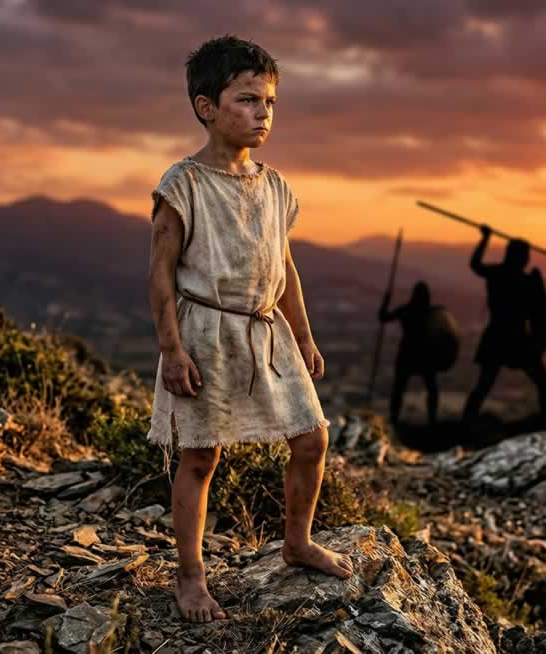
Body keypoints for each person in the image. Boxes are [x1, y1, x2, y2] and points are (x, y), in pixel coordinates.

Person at [146, 35, 352, 624]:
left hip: (267, 332)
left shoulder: (276, 185)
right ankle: (190, 576)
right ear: (206, 107)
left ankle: (297, 541)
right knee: (200, 459)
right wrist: (172, 350)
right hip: (205, 333)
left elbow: (283, 265)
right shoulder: (182, 183)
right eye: (247, 100)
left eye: (270, 102)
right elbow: (160, 273)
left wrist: (305, 335)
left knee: (312, 439)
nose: (263, 113)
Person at [461, 225, 546, 422]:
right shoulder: (525, 281)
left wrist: (485, 239)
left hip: (497, 336)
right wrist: (538, 283)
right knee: (545, 384)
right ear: (520, 257)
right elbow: (541, 310)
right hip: (517, 337)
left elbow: (475, 264)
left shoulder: (497, 274)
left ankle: (465, 424)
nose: (528, 259)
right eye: (525, 255)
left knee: (483, 385)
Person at [378, 281, 442, 426]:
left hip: (407, 353)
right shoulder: (430, 312)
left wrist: (386, 301)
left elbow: (383, 317)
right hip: (424, 354)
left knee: (399, 389)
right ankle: (432, 420)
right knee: (431, 389)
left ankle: (394, 419)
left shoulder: (405, 310)